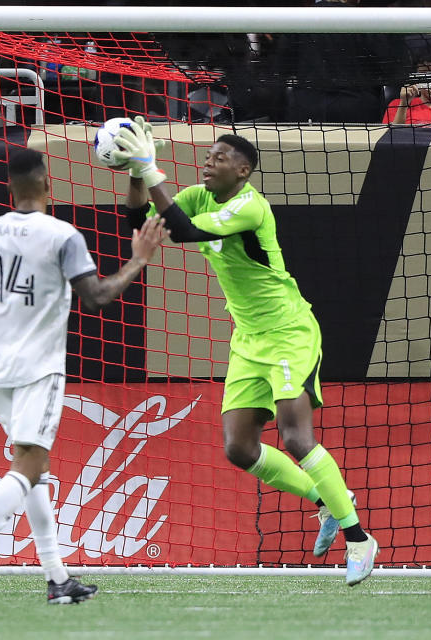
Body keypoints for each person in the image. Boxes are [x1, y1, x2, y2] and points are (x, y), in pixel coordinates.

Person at [112, 117, 378, 586]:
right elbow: (139, 219)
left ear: (244, 171)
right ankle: (329, 502)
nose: (209, 163)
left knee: (296, 437)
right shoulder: (199, 196)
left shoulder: (250, 208)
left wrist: (153, 170)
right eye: (208, 156)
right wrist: (137, 169)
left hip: (288, 332)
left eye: (220, 158)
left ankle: (359, 540)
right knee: (239, 447)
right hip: (248, 339)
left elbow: (186, 233)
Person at [0, 148, 168, 606]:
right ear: (48, 185)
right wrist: (139, 259)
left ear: (10, 189)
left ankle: (57, 579)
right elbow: (97, 297)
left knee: (36, 472)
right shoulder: (62, 235)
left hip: (1, 371)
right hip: (41, 368)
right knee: (28, 467)